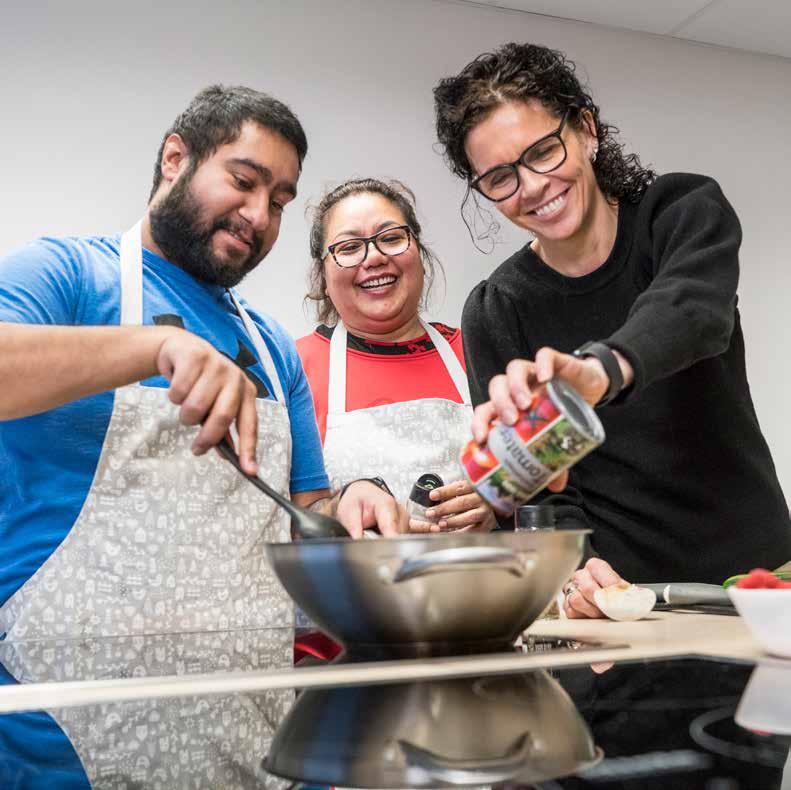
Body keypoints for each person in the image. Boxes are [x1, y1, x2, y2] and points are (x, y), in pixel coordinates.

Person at [0, 85, 406, 643]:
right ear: (175, 160)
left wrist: (351, 498)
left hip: (244, 710)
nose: (259, 216)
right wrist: (154, 347)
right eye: (243, 182)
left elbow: (305, 510)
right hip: (62, 713)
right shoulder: (67, 274)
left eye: (280, 202)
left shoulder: (269, 346)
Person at [433, 43, 791, 618]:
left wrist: (600, 372)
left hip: (758, 583)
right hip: (624, 603)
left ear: (586, 129)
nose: (531, 186)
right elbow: (541, 482)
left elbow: (692, 312)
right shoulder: (498, 307)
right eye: (500, 177)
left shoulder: (677, 211)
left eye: (544, 151)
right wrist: (575, 566)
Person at [297, 177, 496, 532]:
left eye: (391, 238)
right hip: (349, 587)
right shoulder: (297, 367)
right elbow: (284, 522)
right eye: (348, 247)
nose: (373, 257)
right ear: (323, 275)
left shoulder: (479, 351)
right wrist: (341, 507)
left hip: (481, 584)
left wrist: (500, 503)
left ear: (419, 253)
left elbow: (549, 483)